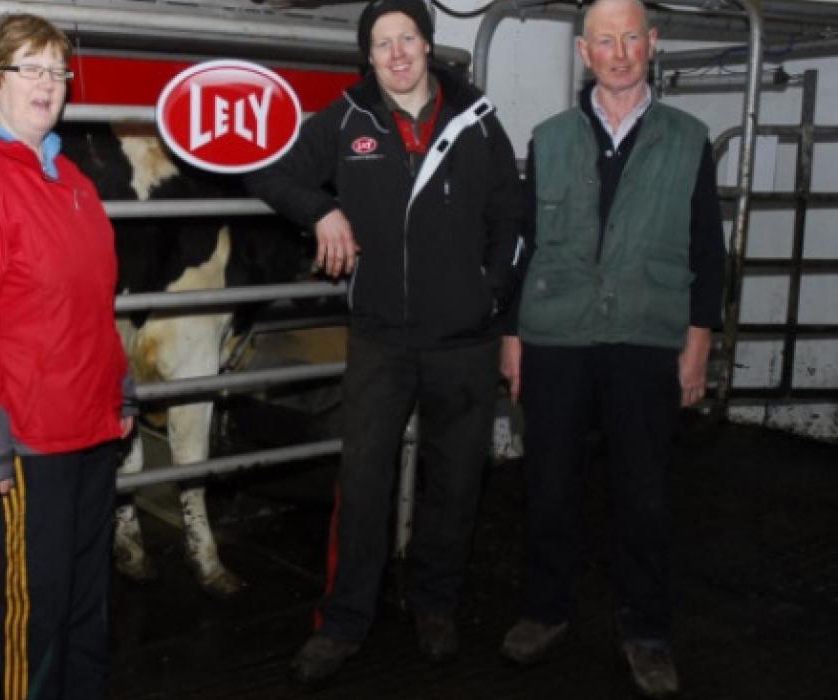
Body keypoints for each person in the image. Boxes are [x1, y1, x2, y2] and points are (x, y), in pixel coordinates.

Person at [246, 0, 524, 684]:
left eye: (407, 39)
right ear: (366, 57)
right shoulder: (346, 120)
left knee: (456, 484)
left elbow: (512, 218)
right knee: (363, 483)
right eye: (381, 43)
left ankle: (434, 605)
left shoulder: (478, 122)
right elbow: (269, 173)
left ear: (429, 46)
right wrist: (322, 209)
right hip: (379, 339)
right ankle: (343, 622)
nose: (396, 53)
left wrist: (492, 297)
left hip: (464, 340)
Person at [498, 0, 725, 696]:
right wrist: (512, 336)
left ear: (652, 44)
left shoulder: (689, 138)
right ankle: (544, 610)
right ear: (584, 52)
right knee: (549, 483)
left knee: (644, 491)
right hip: (557, 334)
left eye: (632, 37)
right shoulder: (550, 137)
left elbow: (708, 252)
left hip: (646, 336)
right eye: (605, 40)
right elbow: (525, 246)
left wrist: (697, 345)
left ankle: (646, 630)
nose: (619, 51)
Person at [0, 14, 135, 700]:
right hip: (27, 438)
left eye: (57, 71)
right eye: (30, 69)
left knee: (85, 596)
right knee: (31, 609)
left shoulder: (71, 179)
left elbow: (93, 301)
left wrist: (120, 390)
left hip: (91, 426)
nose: (48, 85)